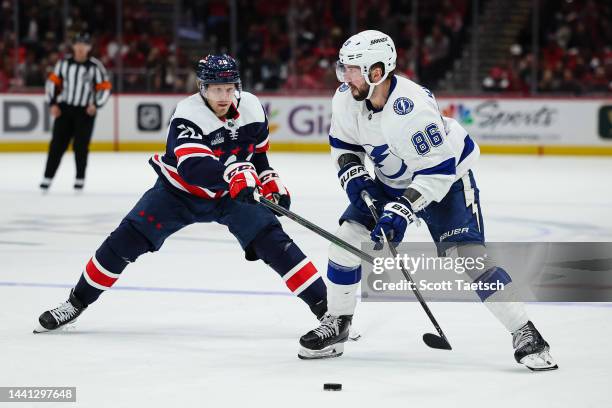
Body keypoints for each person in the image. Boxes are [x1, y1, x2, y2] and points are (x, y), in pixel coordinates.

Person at [298, 30, 557, 371]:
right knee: (344, 242)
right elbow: (344, 146)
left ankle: (525, 332)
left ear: (377, 71)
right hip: (393, 178)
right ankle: (338, 323)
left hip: (446, 179)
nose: (345, 77)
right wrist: (357, 181)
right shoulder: (347, 97)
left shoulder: (411, 110)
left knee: (469, 258)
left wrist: (401, 212)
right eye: (343, 68)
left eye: (352, 69)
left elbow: (437, 172)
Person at [34, 55, 328, 334]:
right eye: (215, 89)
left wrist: (267, 178)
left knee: (276, 243)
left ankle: (330, 313)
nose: (224, 96)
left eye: (229, 88)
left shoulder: (251, 106)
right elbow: (193, 168)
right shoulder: (187, 114)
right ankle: (75, 303)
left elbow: (259, 153)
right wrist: (234, 173)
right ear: (202, 87)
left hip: (230, 195)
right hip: (178, 194)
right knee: (122, 242)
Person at [41, 32, 111, 191]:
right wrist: (52, 103)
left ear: (89, 48)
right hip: (65, 109)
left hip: (85, 112)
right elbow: (51, 84)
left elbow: (105, 88)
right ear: (73, 46)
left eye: (84, 45)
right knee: (57, 146)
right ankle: (47, 177)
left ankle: (80, 178)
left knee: (81, 146)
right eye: (78, 44)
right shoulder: (63, 64)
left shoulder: (95, 66)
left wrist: (96, 104)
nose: (80, 48)